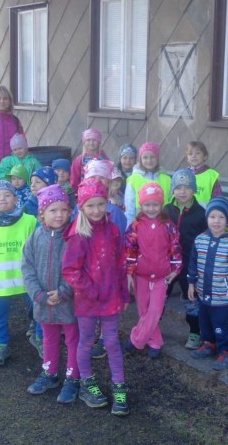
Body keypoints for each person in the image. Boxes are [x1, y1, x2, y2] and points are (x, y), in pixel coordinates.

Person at [62, 178, 130, 416]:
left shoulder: (113, 230)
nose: (97, 210)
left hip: (111, 297)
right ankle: (87, 381)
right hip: (87, 300)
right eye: (90, 205)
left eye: (101, 204)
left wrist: (123, 292)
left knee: (111, 342)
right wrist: (90, 290)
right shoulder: (78, 234)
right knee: (87, 341)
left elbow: (121, 263)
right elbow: (70, 270)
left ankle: (119, 385)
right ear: (82, 206)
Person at [23, 185, 81, 403]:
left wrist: (65, 291)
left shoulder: (74, 237)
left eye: (64, 210)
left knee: (73, 339)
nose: (59, 215)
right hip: (43, 302)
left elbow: (79, 267)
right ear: (42, 213)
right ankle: (50, 373)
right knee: (49, 338)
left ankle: (73, 377)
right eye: (53, 210)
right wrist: (38, 294)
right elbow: (27, 268)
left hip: (69, 302)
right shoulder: (35, 237)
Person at [0, 180, 37, 366]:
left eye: (7, 195)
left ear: (16, 199)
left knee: (40, 310)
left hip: (27, 279)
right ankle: (1, 345)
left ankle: (42, 339)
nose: (2, 199)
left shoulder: (30, 222)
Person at [188, 197, 228, 370]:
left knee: (223, 324)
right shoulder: (200, 239)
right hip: (203, 292)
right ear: (207, 218)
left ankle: (226, 350)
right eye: (212, 216)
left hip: (223, 296)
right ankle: (209, 343)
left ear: (227, 220)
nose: (216, 221)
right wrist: (191, 283)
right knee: (205, 321)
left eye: (221, 217)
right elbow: (193, 263)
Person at [125, 183, 181, 359]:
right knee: (144, 311)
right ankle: (155, 342)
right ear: (141, 205)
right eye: (147, 204)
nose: (151, 208)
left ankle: (136, 339)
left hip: (162, 276)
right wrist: (129, 273)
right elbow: (130, 251)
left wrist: (176, 269)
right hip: (141, 275)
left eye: (155, 204)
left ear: (161, 204)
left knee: (155, 311)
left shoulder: (168, 225)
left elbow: (175, 248)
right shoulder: (135, 226)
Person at [165, 169, 208, 349]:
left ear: (194, 189)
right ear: (173, 190)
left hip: (190, 264)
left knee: (192, 300)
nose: (182, 191)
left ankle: (195, 332)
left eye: (187, 187)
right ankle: (150, 328)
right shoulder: (166, 210)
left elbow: (205, 240)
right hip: (167, 264)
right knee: (160, 296)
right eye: (178, 187)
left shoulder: (201, 213)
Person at [124, 142, 171, 225]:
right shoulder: (133, 180)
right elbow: (130, 209)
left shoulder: (167, 179)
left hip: (162, 225)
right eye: (145, 157)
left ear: (157, 158)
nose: (149, 161)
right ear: (140, 159)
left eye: (152, 157)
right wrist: (130, 228)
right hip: (141, 226)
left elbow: (171, 207)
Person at [186, 141, 222, 206]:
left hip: (205, 211)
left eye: (197, 153)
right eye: (190, 154)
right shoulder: (183, 175)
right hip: (185, 211)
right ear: (187, 158)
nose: (194, 156)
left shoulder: (211, 176)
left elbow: (217, 198)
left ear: (205, 156)